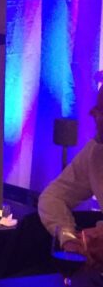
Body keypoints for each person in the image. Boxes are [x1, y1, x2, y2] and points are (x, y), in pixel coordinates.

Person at [38, 84, 103, 254]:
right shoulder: (95, 152)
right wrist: (68, 238)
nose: (91, 113)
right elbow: (53, 197)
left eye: (100, 109)